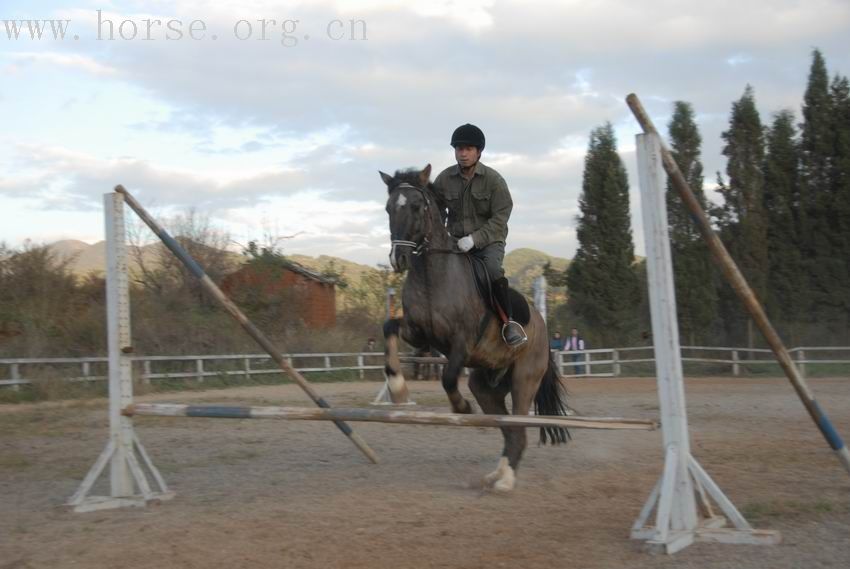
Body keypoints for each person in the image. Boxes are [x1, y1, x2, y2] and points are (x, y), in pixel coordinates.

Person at [432, 123, 526, 347]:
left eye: (468, 149)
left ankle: (508, 323)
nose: (463, 153)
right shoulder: (443, 180)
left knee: (492, 270)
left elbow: (502, 215)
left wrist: (475, 239)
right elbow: (436, 212)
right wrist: (442, 235)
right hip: (454, 242)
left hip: (488, 242)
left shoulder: (494, 180)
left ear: (478, 151)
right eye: (458, 149)